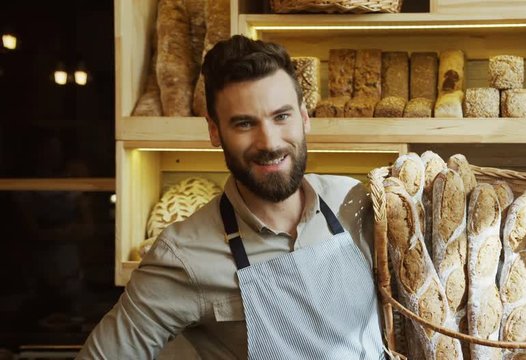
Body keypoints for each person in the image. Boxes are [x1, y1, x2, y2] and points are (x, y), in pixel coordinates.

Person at [77, 35, 385, 359]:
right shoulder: (183, 255)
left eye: (281, 116)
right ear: (214, 131)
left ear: (304, 116)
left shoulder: (354, 200)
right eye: (244, 124)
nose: (269, 142)